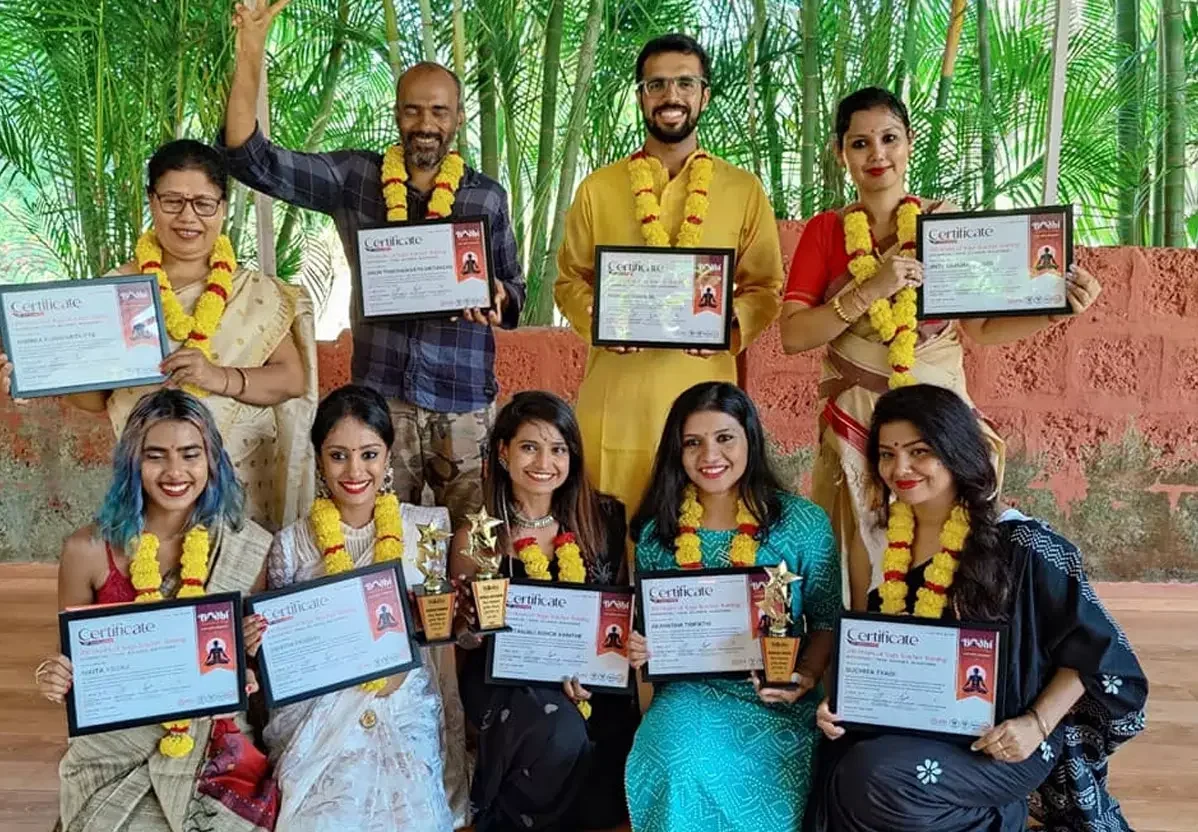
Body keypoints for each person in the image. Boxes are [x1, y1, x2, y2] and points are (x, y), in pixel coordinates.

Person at [777, 87, 1104, 611]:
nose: (877, 154)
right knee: (864, 543)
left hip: (940, 416)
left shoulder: (946, 224)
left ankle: (952, 637)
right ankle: (866, 643)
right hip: (857, 422)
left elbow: (981, 328)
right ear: (841, 153)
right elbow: (794, 335)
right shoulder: (826, 231)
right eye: (860, 143)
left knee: (948, 535)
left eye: (889, 138)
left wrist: (1055, 309)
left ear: (909, 143)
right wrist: (871, 289)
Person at [222, 1, 525, 530]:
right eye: (413, 110)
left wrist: (500, 299)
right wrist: (251, 45)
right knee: (372, 534)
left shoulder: (486, 197)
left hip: (463, 404)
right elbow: (252, 160)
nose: (425, 124)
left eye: (439, 112)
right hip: (381, 398)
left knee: (476, 539)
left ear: (458, 118)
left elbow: (515, 291)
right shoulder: (355, 178)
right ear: (396, 113)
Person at [807, 384, 1147, 832]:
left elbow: (1094, 653)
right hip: (912, 722)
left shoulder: (1024, 544)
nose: (900, 468)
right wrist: (843, 704)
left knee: (875, 776)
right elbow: (879, 647)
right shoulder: (882, 540)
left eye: (919, 451)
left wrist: (1036, 724)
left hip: (1004, 738)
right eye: (887, 454)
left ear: (956, 451)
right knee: (833, 756)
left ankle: (999, 818)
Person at [1, 139, 317, 531]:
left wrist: (217, 377)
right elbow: (94, 400)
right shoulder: (115, 290)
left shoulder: (254, 293)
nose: (188, 217)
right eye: (172, 201)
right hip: (151, 485)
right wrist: (44, 373)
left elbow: (292, 379)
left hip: (242, 485)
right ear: (152, 201)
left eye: (203, 203)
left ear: (222, 207)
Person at [554, 34, 783, 531]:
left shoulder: (743, 190)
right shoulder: (598, 189)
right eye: (656, 85)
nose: (670, 95)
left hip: (706, 408)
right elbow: (569, 280)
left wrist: (728, 322)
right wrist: (599, 317)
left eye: (685, 83)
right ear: (641, 97)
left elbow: (766, 287)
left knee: (700, 541)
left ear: (704, 95)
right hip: (617, 403)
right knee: (610, 542)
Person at [34, 389, 279, 831]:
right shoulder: (86, 551)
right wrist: (53, 675)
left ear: (212, 460)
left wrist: (246, 666)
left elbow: (241, 672)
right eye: (156, 456)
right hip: (115, 751)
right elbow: (73, 665)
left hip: (208, 747)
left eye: (190, 454)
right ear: (132, 462)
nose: (175, 472)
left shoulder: (246, 548)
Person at [624, 382, 840, 832]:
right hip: (691, 695)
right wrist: (640, 646)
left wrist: (805, 677)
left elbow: (825, 620)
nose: (710, 455)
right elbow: (649, 630)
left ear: (750, 440)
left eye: (724, 438)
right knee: (676, 760)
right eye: (693, 442)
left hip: (776, 697)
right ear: (677, 451)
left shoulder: (803, 523)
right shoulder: (658, 532)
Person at [263, 385, 455, 830]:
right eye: (338, 456)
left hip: (404, 698)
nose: (354, 471)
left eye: (369, 455)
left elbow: (438, 642)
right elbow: (285, 652)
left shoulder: (425, 530)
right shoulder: (291, 545)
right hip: (319, 708)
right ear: (319, 459)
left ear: (388, 456)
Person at [450, 391, 637, 832]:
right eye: (529, 447)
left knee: (603, 740)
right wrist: (473, 627)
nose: (544, 463)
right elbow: (463, 640)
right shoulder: (477, 535)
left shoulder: (603, 520)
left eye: (558, 449)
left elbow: (614, 613)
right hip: (503, 681)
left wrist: (593, 674)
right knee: (556, 729)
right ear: (503, 452)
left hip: (589, 680)